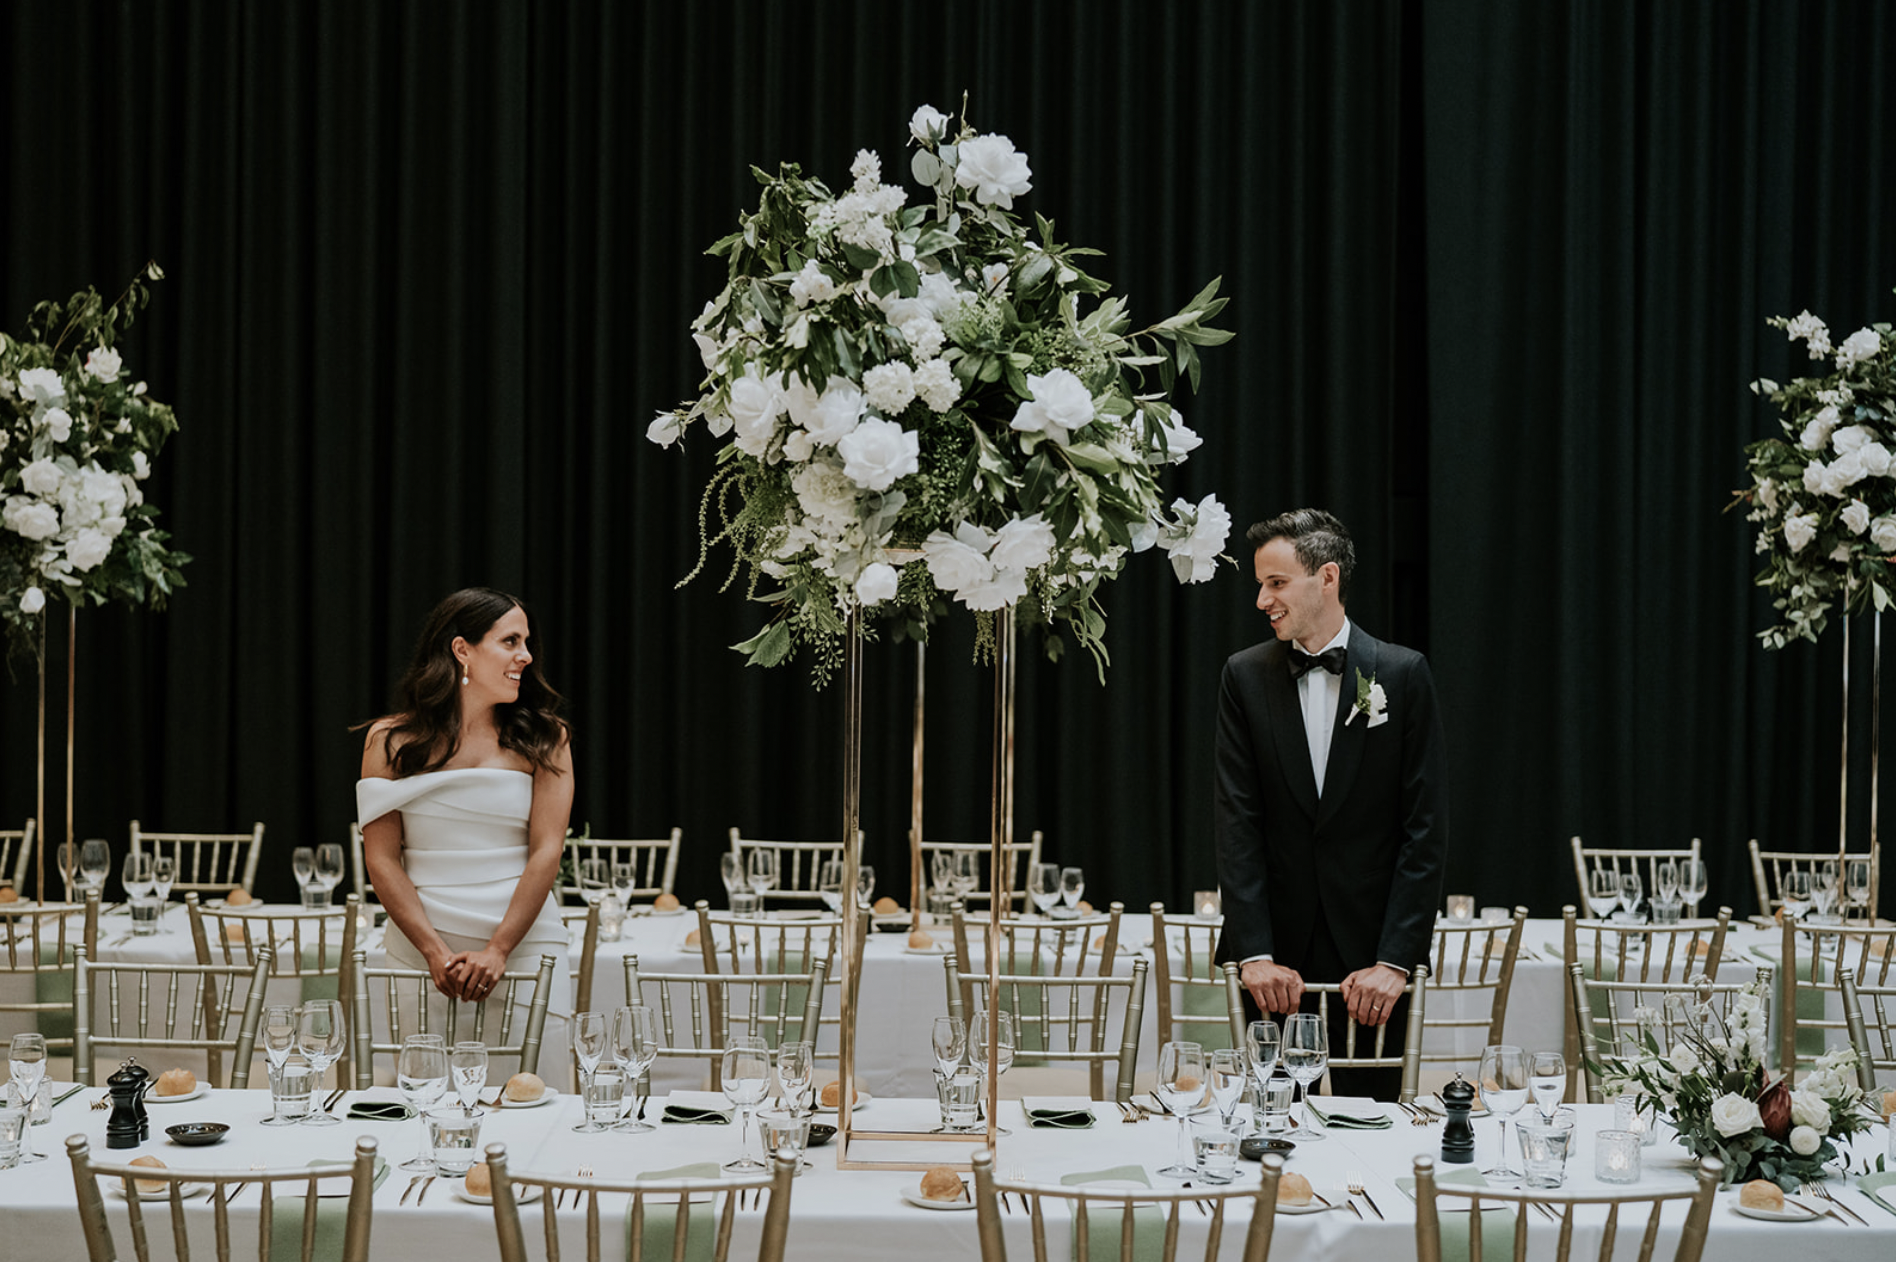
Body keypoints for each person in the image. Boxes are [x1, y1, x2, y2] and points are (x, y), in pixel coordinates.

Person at [1213, 509, 1447, 1100]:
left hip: (1370, 968)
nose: (1263, 600)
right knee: (1269, 1131)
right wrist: (1254, 953)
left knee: (1372, 1131)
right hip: (1274, 967)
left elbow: (1425, 831)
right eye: (1260, 585)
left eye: (1276, 582)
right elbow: (1236, 821)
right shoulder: (1243, 676)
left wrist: (1394, 962)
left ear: (1327, 577)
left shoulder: (1403, 672)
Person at [357, 586, 573, 1074]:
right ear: (462, 650)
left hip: (525, 944)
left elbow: (546, 851)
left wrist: (498, 949)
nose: (527, 655)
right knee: (425, 1101)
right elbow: (382, 859)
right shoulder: (389, 741)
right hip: (421, 948)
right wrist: (433, 952)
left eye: (526, 642)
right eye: (511, 641)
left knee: (535, 1095)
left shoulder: (546, 739)